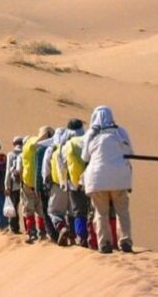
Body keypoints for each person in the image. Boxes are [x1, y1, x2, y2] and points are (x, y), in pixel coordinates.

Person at [81, 105, 134, 254]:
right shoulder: (120, 132)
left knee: (100, 212)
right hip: (119, 178)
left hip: (97, 179)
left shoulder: (91, 134)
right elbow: (130, 152)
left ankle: (104, 243)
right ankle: (125, 241)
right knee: (122, 211)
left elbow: (84, 156)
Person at [21, 126, 54, 243]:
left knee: (30, 209)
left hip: (29, 182)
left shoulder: (28, 144)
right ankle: (40, 233)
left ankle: (34, 233)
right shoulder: (36, 144)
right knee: (40, 209)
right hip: (36, 183)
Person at [61, 120, 89, 247]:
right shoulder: (88, 139)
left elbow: (63, 165)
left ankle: (82, 238)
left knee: (78, 211)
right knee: (93, 211)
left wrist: (63, 183)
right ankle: (94, 239)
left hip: (74, 183)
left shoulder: (66, 145)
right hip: (91, 181)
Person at [4, 136, 24, 234]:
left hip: (14, 185)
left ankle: (14, 228)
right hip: (26, 184)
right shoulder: (26, 153)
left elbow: (8, 171)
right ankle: (29, 229)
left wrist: (7, 186)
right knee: (26, 207)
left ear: (14, 144)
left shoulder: (11, 154)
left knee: (13, 207)